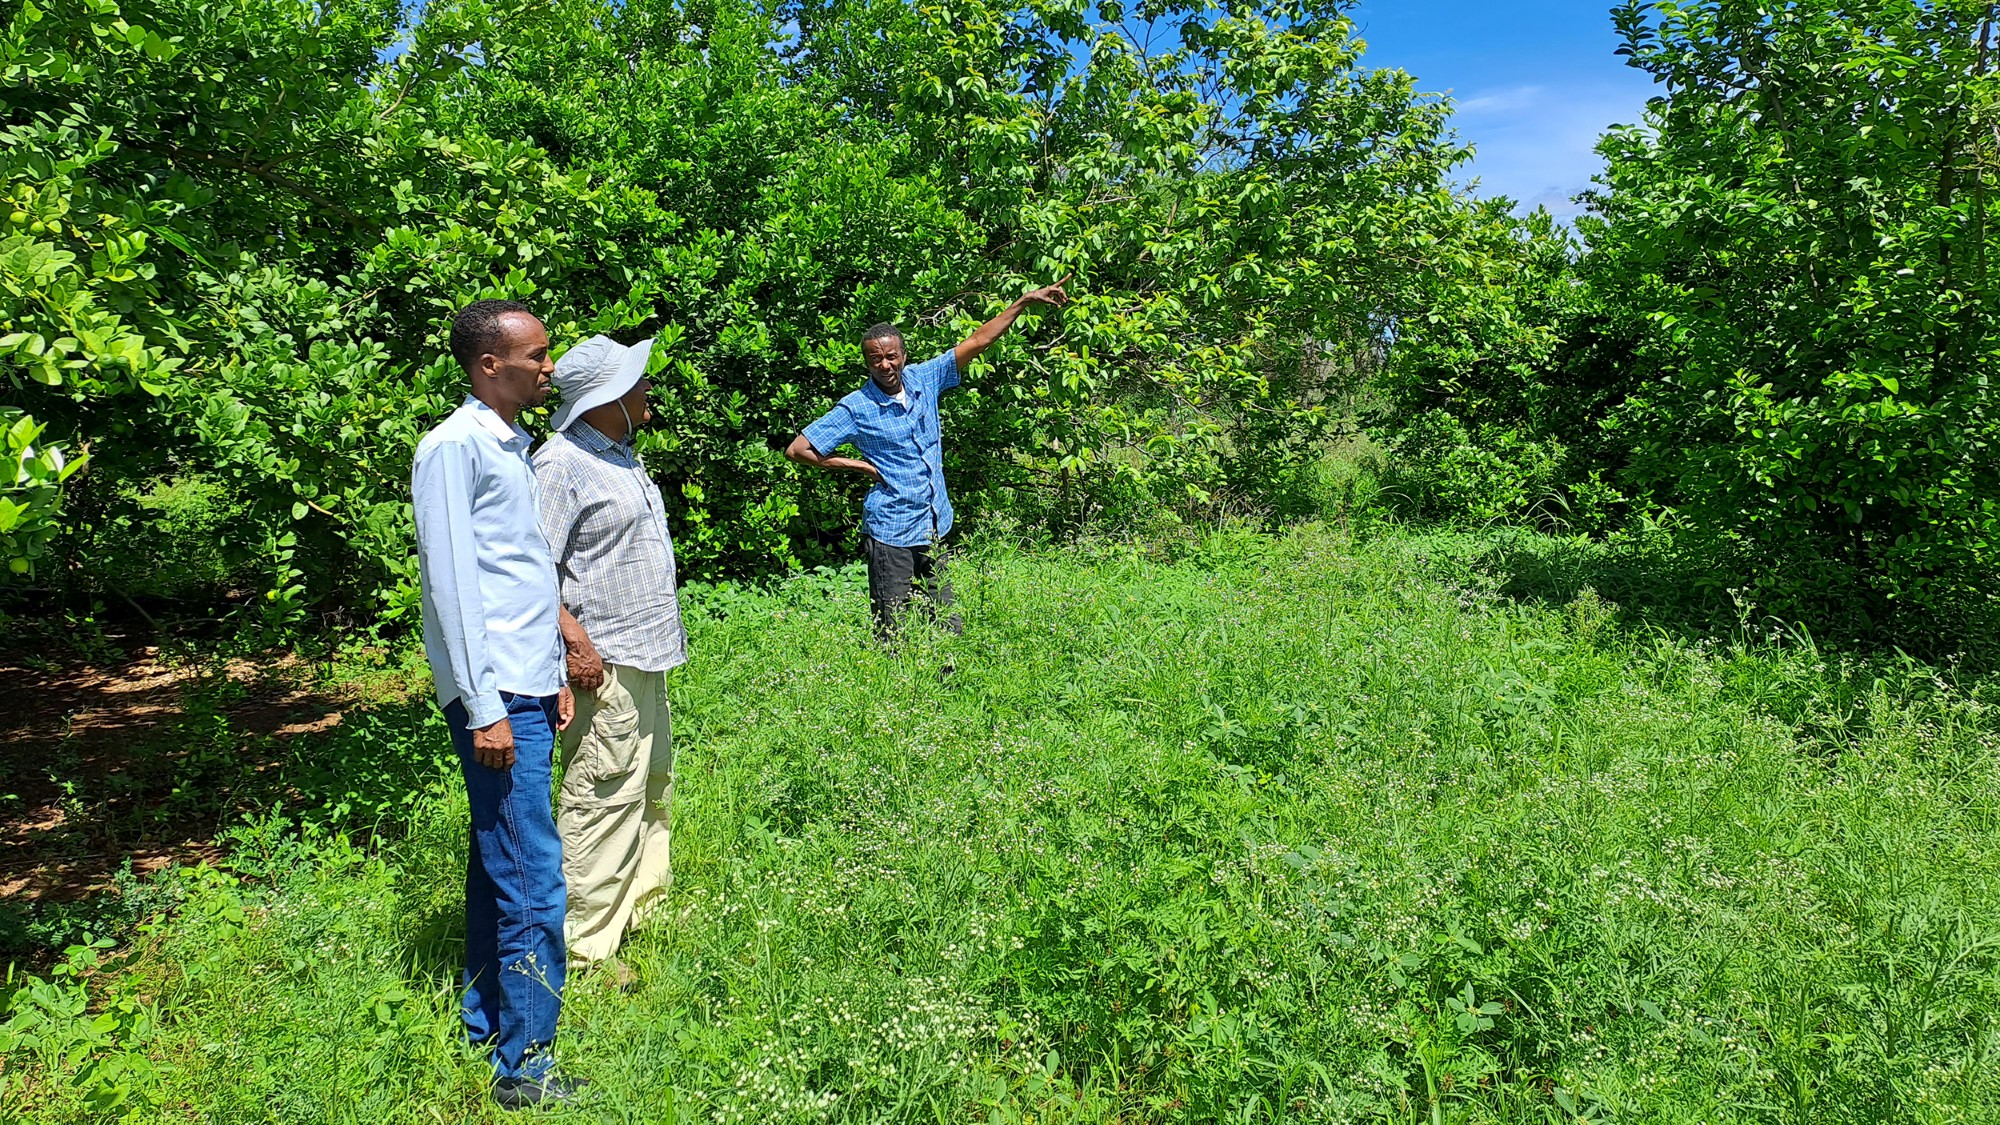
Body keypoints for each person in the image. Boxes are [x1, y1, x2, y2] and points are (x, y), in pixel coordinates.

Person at [411, 299, 583, 1111]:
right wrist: (483, 704)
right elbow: (450, 587)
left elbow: (518, 575)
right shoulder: (453, 449)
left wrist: (551, 670)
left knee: (497, 863)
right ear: (490, 364)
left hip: (523, 681)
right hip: (494, 696)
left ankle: (487, 1026)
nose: (550, 366)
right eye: (538, 355)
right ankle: (527, 1063)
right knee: (532, 877)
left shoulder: (513, 446)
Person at [785, 276, 1072, 635]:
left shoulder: (925, 379)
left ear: (904, 356)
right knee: (894, 627)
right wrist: (855, 464)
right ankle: (897, 684)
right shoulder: (856, 408)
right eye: (876, 360)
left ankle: (948, 682)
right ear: (867, 364)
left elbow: (979, 340)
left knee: (948, 623)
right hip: (891, 532)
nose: (885, 365)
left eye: (891, 357)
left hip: (933, 525)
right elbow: (798, 449)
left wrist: (1023, 302)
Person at [534, 335, 685, 989]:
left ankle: (644, 915)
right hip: (605, 664)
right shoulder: (559, 465)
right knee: (601, 798)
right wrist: (575, 643)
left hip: (647, 655)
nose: (648, 390)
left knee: (650, 789)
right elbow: (528, 568)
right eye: (637, 382)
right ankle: (587, 950)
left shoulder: (620, 455)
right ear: (605, 398)